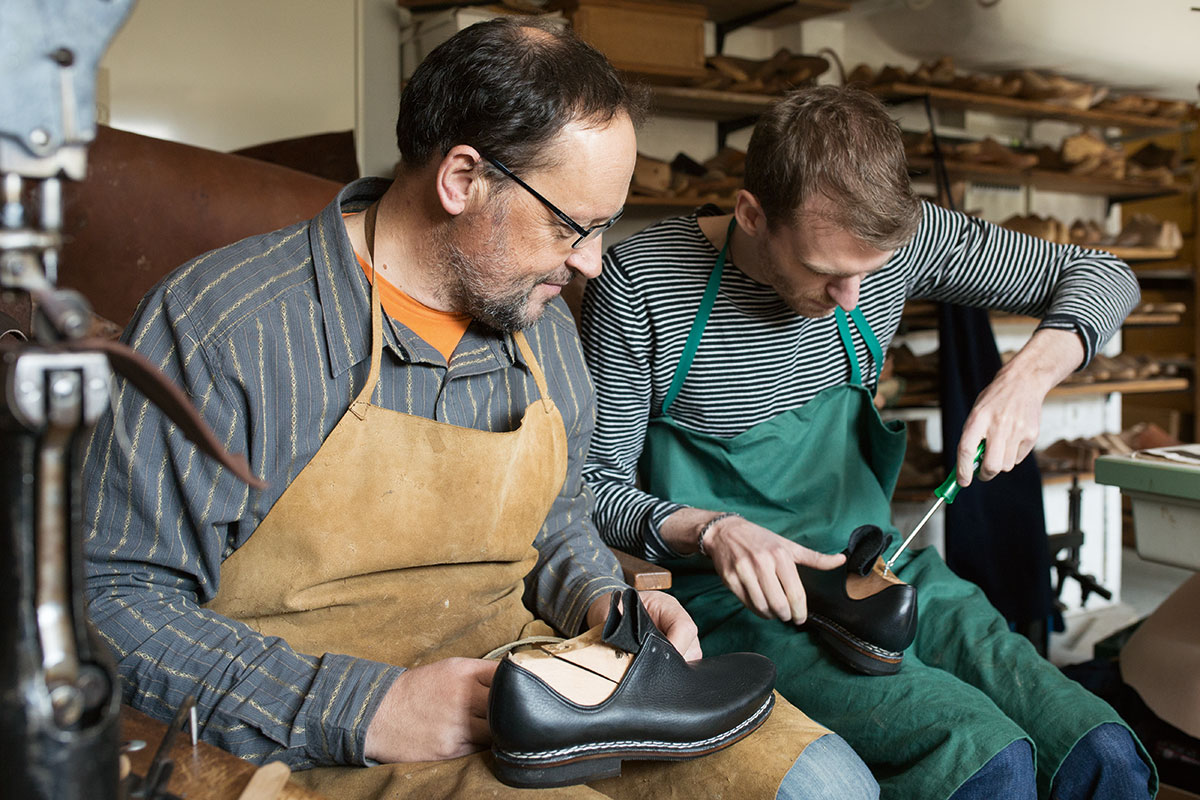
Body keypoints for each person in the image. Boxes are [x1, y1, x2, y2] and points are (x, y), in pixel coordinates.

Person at [81, 19, 880, 800]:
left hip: (527, 678)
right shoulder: (225, 326)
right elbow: (111, 600)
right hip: (318, 724)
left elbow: (558, 522)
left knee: (826, 783)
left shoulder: (543, 326)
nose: (592, 265)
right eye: (574, 226)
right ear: (462, 179)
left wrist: (608, 605)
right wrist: (364, 708)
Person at [580, 85, 1157, 800]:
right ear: (752, 214)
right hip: (738, 602)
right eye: (826, 271)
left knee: (1100, 751)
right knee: (985, 760)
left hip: (877, 570)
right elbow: (591, 489)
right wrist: (713, 528)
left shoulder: (908, 243)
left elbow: (1106, 274)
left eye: (874, 270)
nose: (853, 297)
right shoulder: (643, 283)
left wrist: (1027, 378)